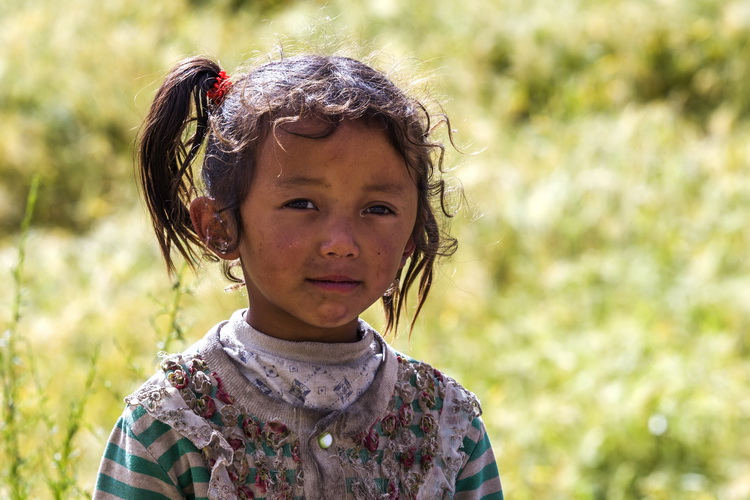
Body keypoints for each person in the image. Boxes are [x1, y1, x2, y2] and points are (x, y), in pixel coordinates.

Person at [94, 53, 503, 500]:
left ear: (411, 233)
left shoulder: (447, 426)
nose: (341, 242)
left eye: (378, 210)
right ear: (220, 225)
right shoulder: (172, 423)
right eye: (302, 204)